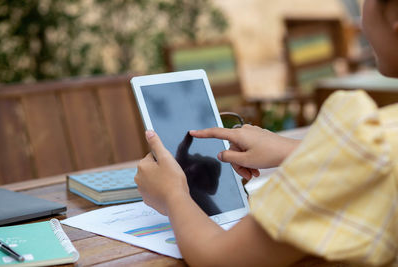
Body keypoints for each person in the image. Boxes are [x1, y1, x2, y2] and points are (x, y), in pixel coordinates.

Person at [134, 0, 398, 265]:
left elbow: (220, 258)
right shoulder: (379, 140)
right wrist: (294, 150)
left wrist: (172, 194)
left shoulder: (370, 142)